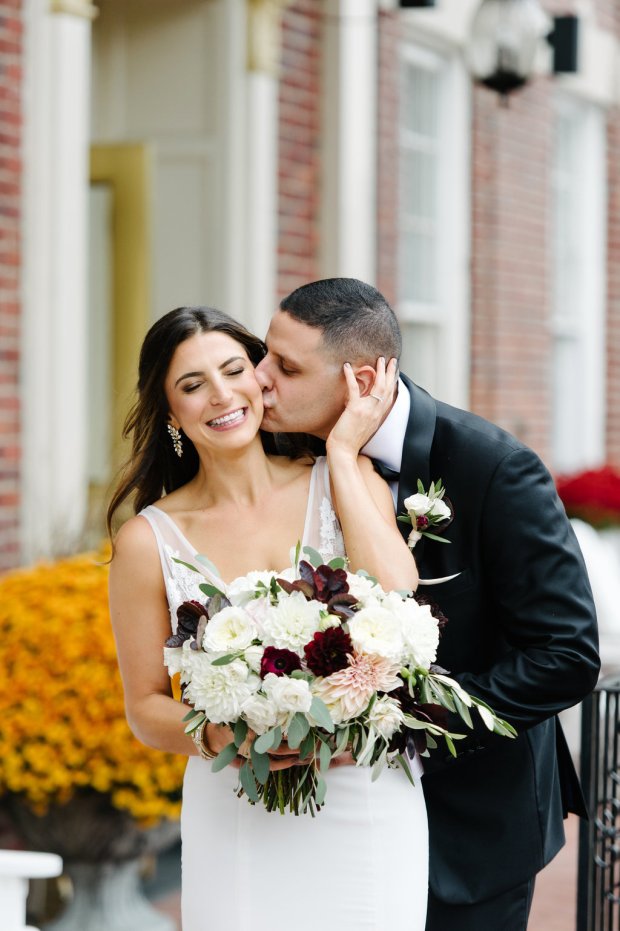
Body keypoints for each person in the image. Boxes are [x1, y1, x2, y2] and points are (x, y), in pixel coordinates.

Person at [253, 277, 600, 931]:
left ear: (360, 382)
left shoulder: (495, 469)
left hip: (472, 821)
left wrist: (401, 728)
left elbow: (566, 655)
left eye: (286, 366)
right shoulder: (282, 454)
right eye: (267, 354)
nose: (260, 378)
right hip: (330, 823)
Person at [107, 305, 429, 931]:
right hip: (237, 806)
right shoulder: (149, 542)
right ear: (171, 414)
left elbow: (396, 590)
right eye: (193, 385)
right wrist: (227, 736)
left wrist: (340, 451)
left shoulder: (340, 477)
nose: (221, 395)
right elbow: (145, 708)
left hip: (362, 792)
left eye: (234, 371)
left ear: (261, 379)